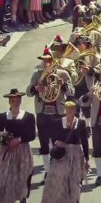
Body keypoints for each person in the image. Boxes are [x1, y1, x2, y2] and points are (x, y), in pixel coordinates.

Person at [26, 47, 75, 180]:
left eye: (49, 60)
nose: (46, 63)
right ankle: (48, 170)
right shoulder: (37, 74)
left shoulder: (62, 73)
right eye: (44, 60)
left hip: (58, 113)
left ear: (53, 60)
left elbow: (71, 92)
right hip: (42, 112)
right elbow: (28, 92)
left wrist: (62, 84)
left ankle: (56, 168)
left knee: (57, 141)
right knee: (43, 142)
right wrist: (35, 88)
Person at [0, 89, 36, 203]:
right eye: (13, 100)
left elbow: (31, 135)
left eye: (18, 100)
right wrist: (7, 141)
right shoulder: (3, 117)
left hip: (23, 153)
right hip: (8, 152)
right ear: (9, 102)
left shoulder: (29, 117)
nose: (16, 102)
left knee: (23, 183)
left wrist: (19, 140)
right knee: (9, 183)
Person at [40, 99, 89, 203]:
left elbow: (84, 142)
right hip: (61, 155)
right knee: (61, 183)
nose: (70, 111)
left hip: (76, 154)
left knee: (76, 182)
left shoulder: (80, 123)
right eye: (68, 108)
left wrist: (86, 159)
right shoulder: (57, 122)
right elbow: (52, 138)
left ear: (75, 109)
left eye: (72, 108)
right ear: (65, 109)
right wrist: (58, 143)